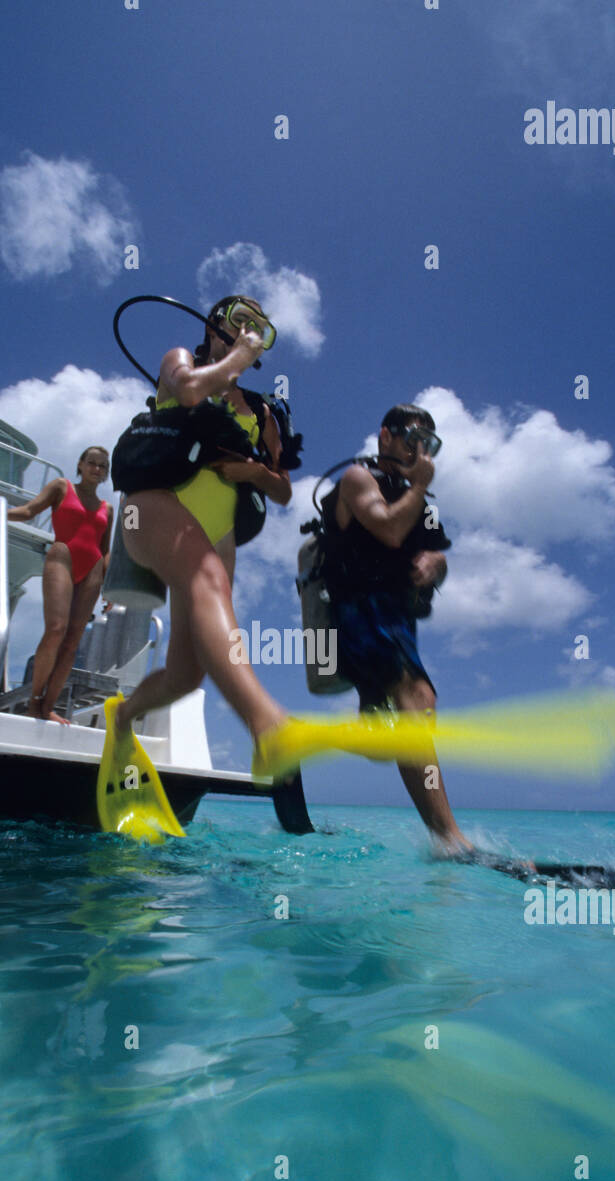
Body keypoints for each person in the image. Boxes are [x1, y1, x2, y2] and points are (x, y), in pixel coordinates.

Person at [111, 295, 292, 742]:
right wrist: (238, 358)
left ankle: (123, 716)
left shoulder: (263, 414)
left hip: (219, 533)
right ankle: (266, 721)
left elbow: (283, 488)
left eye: (259, 328)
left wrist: (253, 472)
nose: (250, 331)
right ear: (214, 327)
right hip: (152, 509)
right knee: (207, 578)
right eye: (240, 321)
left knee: (185, 675)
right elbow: (190, 390)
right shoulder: (180, 361)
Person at [319, 404, 472, 851]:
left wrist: (437, 564)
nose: (418, 448)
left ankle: (365, 732)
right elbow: (386, 528)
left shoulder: (420, 503)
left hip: (399, 619)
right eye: (410, 436)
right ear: (385, 436)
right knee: (419, 699)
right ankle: (449, 840)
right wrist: (421, 484)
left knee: (394, 729)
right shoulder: (356, 479)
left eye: (429, 443)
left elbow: (435, 554)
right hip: (355, 610)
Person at [0, 446, 113, 722]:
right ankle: (34, 700)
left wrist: (109, 586)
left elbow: (105, 548)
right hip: (62, 556)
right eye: (92, 463)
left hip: (92, 569)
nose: (97, 469)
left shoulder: (108, 509)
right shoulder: (60, 487)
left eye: (103, 466)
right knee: (56, 629)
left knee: (72, 642)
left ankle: (48, 707)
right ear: (80, 464)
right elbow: (30, 510)